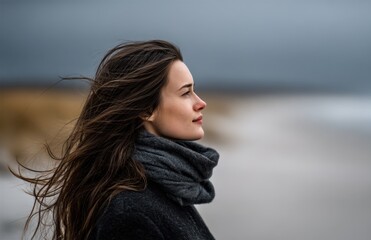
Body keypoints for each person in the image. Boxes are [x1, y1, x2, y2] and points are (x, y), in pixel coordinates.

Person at [16, 40, 219, 240]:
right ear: (147, 109)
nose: (201, 103)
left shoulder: (161, 187)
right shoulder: (130, 214)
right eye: (185, 93)